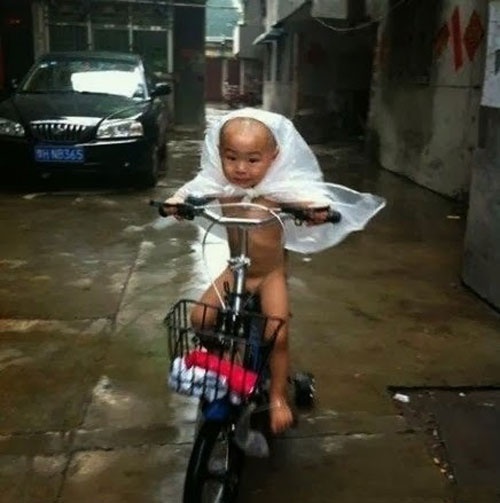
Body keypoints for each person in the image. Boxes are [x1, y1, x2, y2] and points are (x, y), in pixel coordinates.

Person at [163, 108, 385, 434]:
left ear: (274, 157)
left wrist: (316, 211)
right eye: (231, 158)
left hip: (268, 275)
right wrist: (177, 201)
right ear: (219, 154)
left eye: (253, 160)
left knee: (276, 336)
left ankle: (278, 397)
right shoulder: (219, 184)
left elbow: (309, 198)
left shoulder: (280, 188)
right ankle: (226, 360)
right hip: (235, 269)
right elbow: (192, 189)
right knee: (199, 318)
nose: (241, 168)